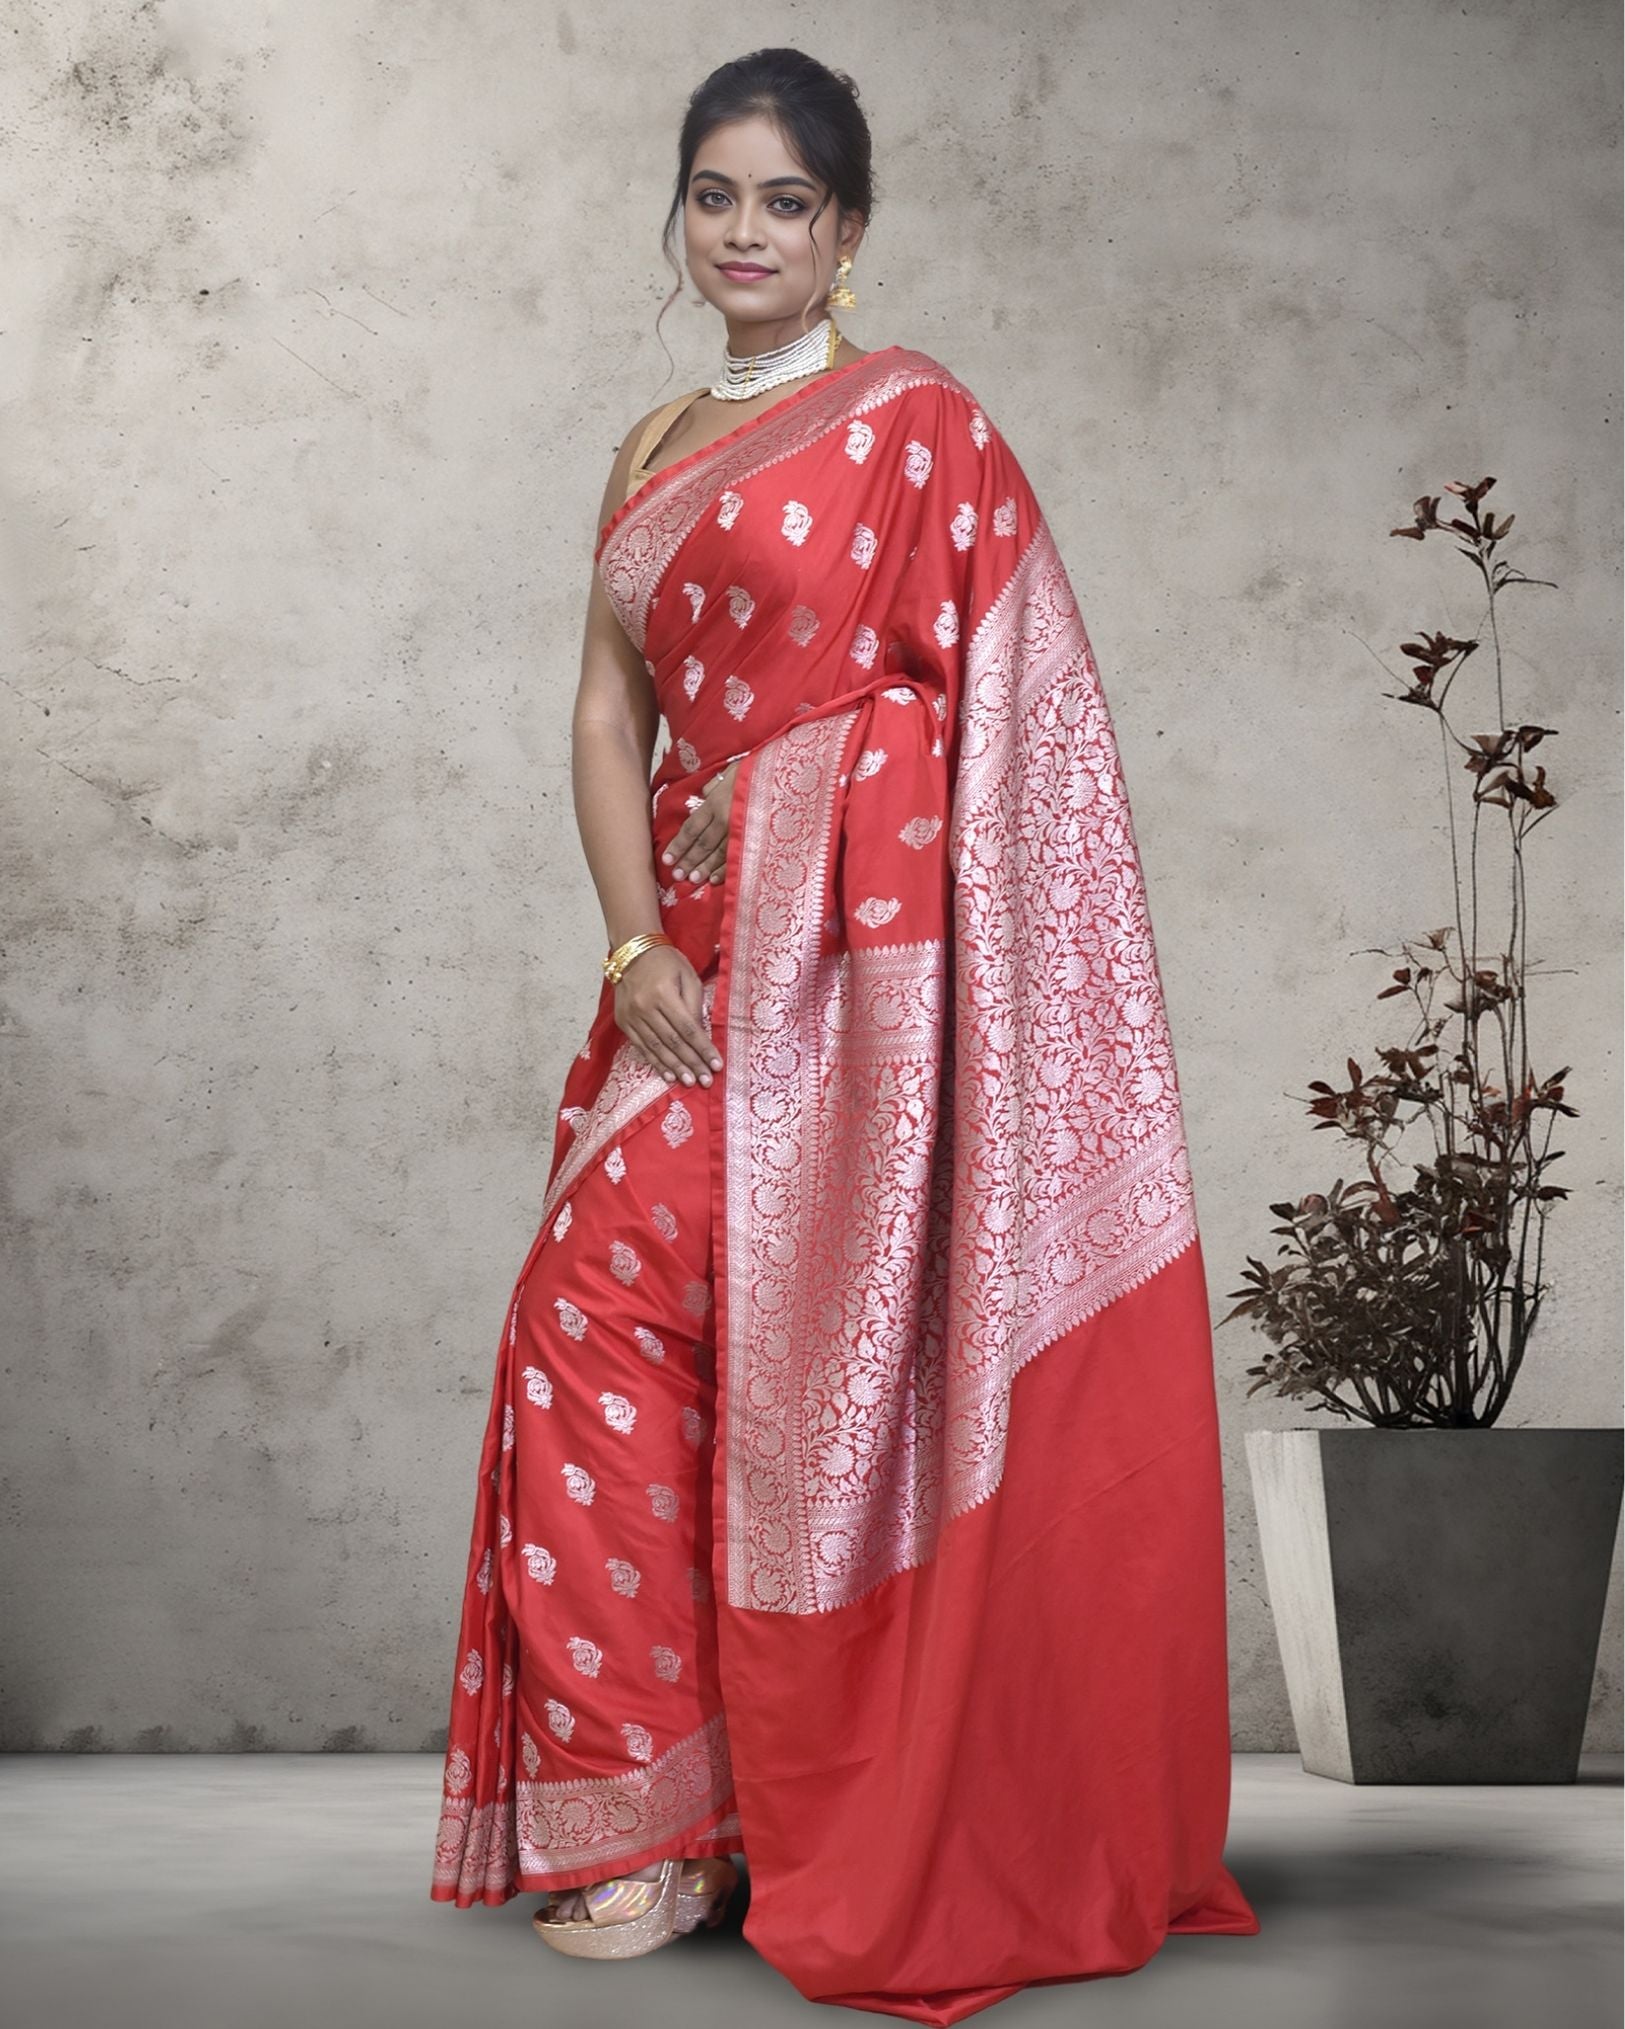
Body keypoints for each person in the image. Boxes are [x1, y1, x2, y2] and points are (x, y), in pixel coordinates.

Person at [429, 43, 1260, 2025]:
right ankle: (655, 1826)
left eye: (785, 202)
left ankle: (778, 1804)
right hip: (696, 974)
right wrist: (633, 939)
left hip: (867, 1000)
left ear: (848, 230)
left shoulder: (918, 426)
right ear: (681, 213)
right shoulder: (650, 445)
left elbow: (1013, 721)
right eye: (714, 195)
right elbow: (606, 709)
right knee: (585, 1327)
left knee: (787, 1372)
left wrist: (804, 786)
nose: (745, 233)